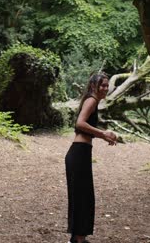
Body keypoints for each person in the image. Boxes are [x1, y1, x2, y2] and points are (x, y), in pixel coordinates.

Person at [65, 73, 117, 243]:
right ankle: (79, 239)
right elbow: (80, 123)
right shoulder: (92, 100)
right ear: (93, 85)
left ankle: (78, 237)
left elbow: (85, 125)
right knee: (83, 197)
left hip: (81, 153)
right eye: (102, 85)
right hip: (78, 153)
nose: (105, 88)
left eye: (107, 85)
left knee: (83, 196)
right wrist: (103, 134)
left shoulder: (92, 101)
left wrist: (104, 135)